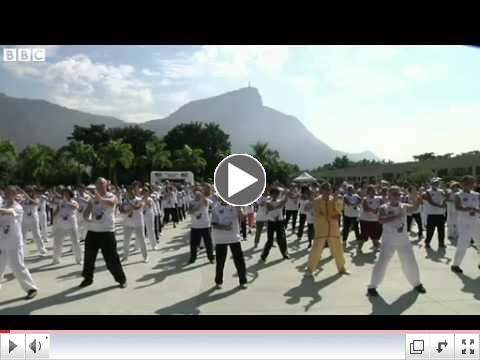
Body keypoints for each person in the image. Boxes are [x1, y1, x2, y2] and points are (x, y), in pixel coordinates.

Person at [367, 186, 426, 297]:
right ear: (388, 196)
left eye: (398, 194)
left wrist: (416, 199)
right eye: (394, 194)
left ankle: (417, 284)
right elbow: (380, 220)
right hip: (388, 241)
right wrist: (396, 216)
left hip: (403, 240)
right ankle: (372, 287)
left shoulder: (403, 206)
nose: (397, 196)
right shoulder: (383, 207)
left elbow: (414, 208)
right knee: (382, 263)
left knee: (410, 262)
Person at [80, 177, 127, 288]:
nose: (99, 186)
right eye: (97, 184)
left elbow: (111, 204)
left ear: (106, 186)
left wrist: (99, 198)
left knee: (111, 258)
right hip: (93, 231)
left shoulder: (111, 196)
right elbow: (87, 212)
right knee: (89, 257)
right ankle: (88, 278)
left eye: (101, 184)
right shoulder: (92, 199)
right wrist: (87, 217)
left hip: (106, 231)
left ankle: (121, 279)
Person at [0, 186, 38, 299]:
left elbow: (10, 212)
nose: (6, 194)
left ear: (15, 194)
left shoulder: (18, 207)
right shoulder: (2, 205)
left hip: (14, 243)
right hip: (2, 241)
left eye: (9, 193)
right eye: (5, 192)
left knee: (18, 266)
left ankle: (31, 288)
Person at [305, 182, 348, 277]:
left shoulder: (334, 200)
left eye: (328, 189)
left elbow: (339, 210)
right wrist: (332, 216)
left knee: (338, 249)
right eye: (325, 189)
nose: (327, 191)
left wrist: (337, 201)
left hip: (333, 228)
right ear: (321, 190)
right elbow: (318, 214)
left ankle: (341, 268)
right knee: (316, 249)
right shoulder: (317, 200)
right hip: (321, 228)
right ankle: (309, 269)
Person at [211, 199, 247, 289]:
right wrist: (224, 227)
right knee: (220, 262)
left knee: (240, 261)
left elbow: (242, 219)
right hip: (221, 239)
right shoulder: (216, 208)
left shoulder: (236, 206)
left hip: (234, 238)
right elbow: (214, 224)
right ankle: (218, 282)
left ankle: (243, 281)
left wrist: (239, 209)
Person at [451, 176, 480, 273]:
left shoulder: (477, 194)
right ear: (463, 184)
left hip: (476, 220)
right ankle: (455, 265)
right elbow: (457, 207)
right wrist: (470, 209)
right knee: (463, 243)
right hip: (464, 221)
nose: (471, 185)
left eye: (472, 183)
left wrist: (477, 210)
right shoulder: (458, 195)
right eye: (469, 183)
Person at [52, 189, 82, 265]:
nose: (65, 195)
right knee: (57, 242)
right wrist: (55, 214)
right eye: (64, 194)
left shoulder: (74, 202)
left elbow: (77, 207)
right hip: (61, 225)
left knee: (76, 243)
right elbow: (55, 212)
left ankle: (79, 259)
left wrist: (68, 202)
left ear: (70, 194)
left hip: (72, 225)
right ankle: (56, 259)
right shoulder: (60, 202)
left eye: (67, 194)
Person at [121, 186, 149, 263]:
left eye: (131, 190)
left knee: (142, 240)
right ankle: (125, 257)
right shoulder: (125, 201)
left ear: (134, 191)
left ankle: (145, 257)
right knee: (126, 241)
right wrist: (126, 211)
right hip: (128, 223)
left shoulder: (139, 199)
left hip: (138, 223)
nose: (130, 192)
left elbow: (138, 207)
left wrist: (130, 204)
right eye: (128, 191)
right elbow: (122, 210)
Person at [260, 187, 289, 262]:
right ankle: (263, 256)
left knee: (281, 239)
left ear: (278, 194)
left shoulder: (279, 200)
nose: (275, 195)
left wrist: (286, 193)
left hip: (280, 222)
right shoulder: (268, 201)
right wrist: (277, 206)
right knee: (270, 240)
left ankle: (285, 254)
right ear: (271, 194)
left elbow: (284, 201)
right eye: (273, 194)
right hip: (271, 222)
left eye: (277, 194)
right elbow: (269, 208)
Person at [188, 186, 215, 264]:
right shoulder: (191, 202)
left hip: (205, 225)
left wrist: (202, 195)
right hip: (195, 226)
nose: (197, 193)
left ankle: (211, 258)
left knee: (208, 243)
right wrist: (197, 208)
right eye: (196, 191)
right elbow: (189, 211)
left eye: (199, 191)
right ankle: (193, 258)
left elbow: (207, 204)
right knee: (193, 243)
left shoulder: (206, 200)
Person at [20, 187, 47, 256]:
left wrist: (27, 196)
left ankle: (42, 250)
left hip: (33, 219)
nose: (28, 193)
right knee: (22, 235)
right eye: (27, 191)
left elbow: (36, 203)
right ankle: (20, 251)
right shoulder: (23, 201)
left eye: (29, 191)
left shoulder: (36, 199)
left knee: (36, 234)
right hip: (24, 219)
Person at [423, 178, 447, 249]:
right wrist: (440, 205)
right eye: (434, 183)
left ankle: (441, 243)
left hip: (440, 214)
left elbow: (446, 197)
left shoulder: (441, 191)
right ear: (431, 184)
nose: (436, 184)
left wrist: (444, 202)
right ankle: (427, 243)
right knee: (430, 231)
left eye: (437, 183)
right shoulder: (428, 191)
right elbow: (430, 202)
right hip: (431, 214)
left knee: (441, 230)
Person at [359, 185, 382, 250]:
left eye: (374, 190)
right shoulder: (365, 198)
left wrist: (377, 211)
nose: (374, 191)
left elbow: (379, 207)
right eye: (372, 190)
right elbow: (365, 208)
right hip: (365, 220)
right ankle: (359, 248)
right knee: (364, 236)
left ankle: (376, 247)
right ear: (369, 191)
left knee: (375, 236)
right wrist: (373, 210)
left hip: (375, 220)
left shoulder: (378, 199)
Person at [142, 187, 158, 251]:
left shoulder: (150, 199)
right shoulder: (141, 199)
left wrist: (145, 200)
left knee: (151, 230)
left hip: (150, 215)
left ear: (148, 193)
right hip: (143, 215)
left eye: (146, 192)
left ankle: (154, 245)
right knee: (141, 230)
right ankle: (139, 245)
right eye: (144, 192)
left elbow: (150, 205)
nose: (145, 193)